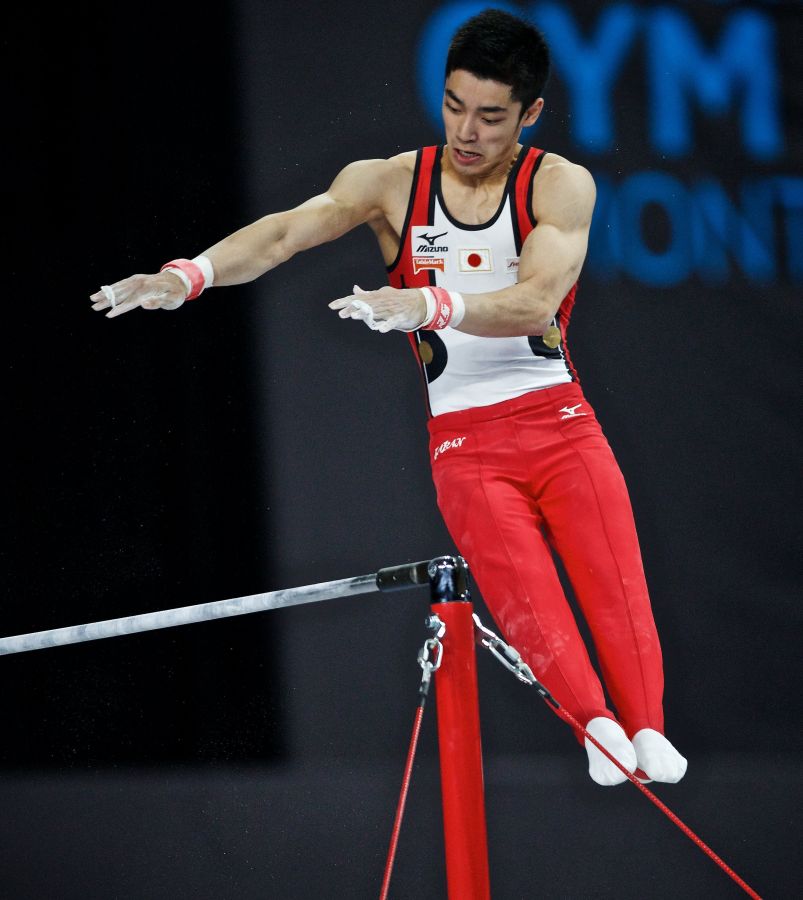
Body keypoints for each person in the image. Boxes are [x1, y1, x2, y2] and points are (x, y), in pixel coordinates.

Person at [90, 8, 686, 786]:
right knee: (527, 597)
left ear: (530, 114)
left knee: (616, 589)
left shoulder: (559, 184)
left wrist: (429, 304)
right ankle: (596, 729)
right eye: (453, 105)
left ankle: (645, 725)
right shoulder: (389, 183)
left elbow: (536, 300)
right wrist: (189, 275)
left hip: (562, 425)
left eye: (491, 116)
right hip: (467, 447)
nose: (467, 130)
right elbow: (284, 232)